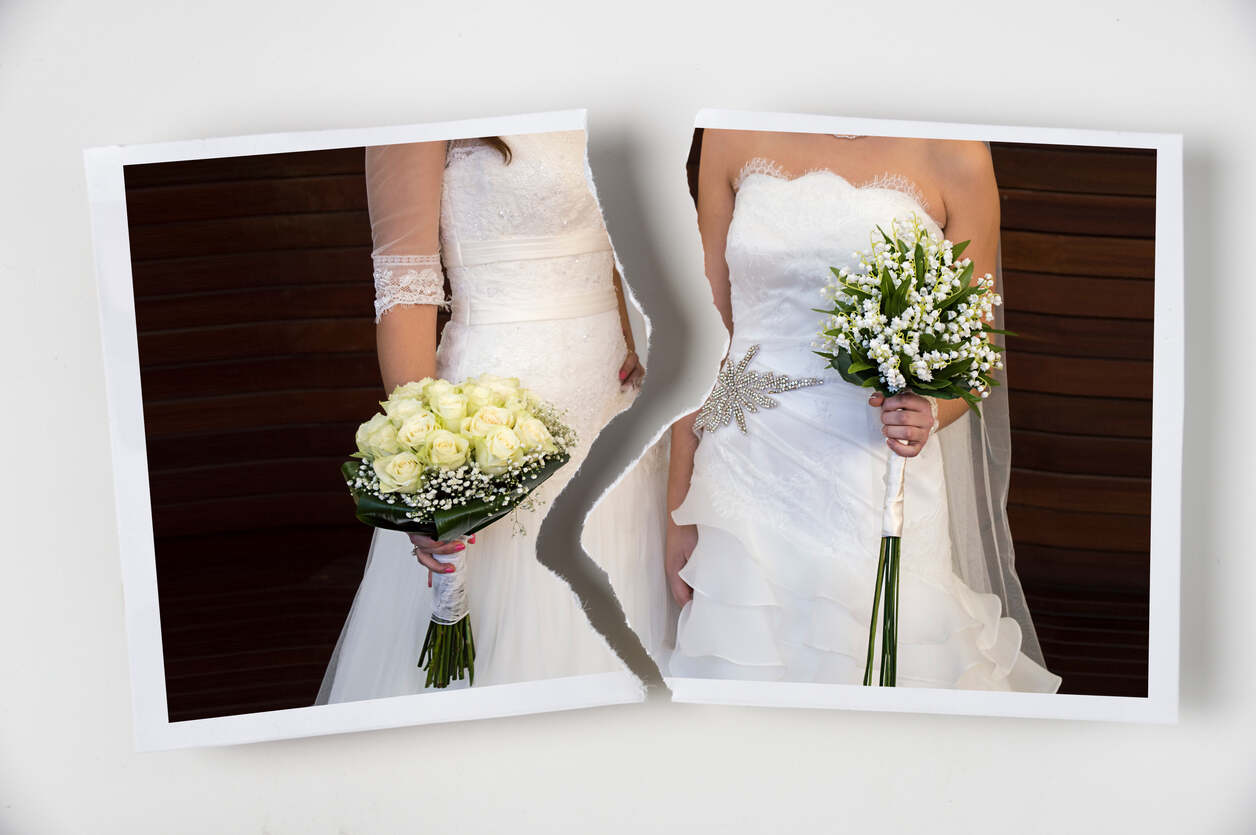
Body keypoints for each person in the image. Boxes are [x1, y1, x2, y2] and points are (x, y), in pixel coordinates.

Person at [664, 129, 1061, 691]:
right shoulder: (731, 132)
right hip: (744, 466)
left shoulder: (956, 157)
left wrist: (930, 412)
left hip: (875, 471)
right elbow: (699, 333)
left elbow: (974, 352)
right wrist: (678, 506)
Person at [317, 131, 662, 702]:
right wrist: (426, 476)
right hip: (496, 423)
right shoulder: (421, 112)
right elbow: (405, 291)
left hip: (615, 411)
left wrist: (639, 334)